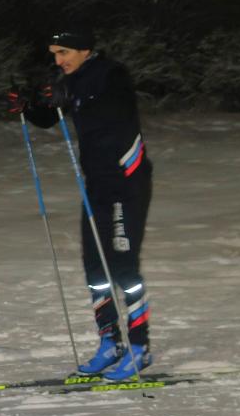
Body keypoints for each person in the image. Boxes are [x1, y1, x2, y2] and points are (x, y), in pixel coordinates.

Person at [12, 27, 153, 380]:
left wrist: (69, 93)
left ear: (84, 49)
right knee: (94, 266)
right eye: (55, 55)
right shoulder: (73, 80)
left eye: (63, 53)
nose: (59, 61)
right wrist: (28, 106)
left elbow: (109, 104)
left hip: (127, 181)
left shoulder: (111, 74)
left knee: (123, 266)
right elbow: (50, 115)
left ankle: (140, 347)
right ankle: (111, 343)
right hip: (97, 183)